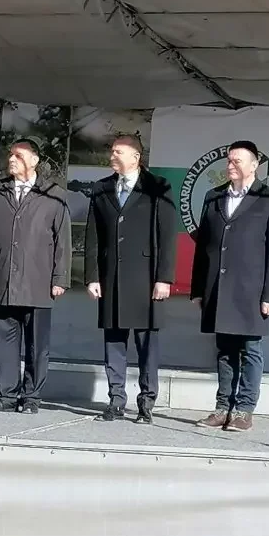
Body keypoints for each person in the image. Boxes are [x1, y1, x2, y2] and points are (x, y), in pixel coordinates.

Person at [190, 140, 269, 432]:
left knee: (251, 349)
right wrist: (197, 288)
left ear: (254, 165)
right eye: (229, 161)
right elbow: (203, 246)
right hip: (218, 288)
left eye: (237, 161)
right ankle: (222, 408)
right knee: (224, 350)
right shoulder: (212, 197)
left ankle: (244, 410)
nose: (231, 166)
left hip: (251, 291)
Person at [0, 136, 71, 414]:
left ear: (34, 160)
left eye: (18, 155)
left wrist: (59, 278)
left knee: (36, 344)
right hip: (3, 278)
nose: (11, 160)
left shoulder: (53, 194)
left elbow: (63, 238)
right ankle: (5, 394)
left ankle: (31, 397)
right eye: (10, 155)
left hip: (39, 281)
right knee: (4, 340)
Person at [84, 134, 177, 424]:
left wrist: (164, 277)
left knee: (146, 342)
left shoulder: (157, 187)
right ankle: (115, 400)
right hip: (111, 277)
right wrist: (92, 276)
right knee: (113, 340)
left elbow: (167, 235)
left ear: (136, 157)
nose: (113, 156)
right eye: (111, 151)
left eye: (118, 151)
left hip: (146, 278)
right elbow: (93, 235)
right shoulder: (101, 188)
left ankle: (146, 401)